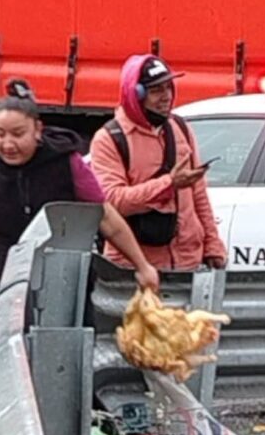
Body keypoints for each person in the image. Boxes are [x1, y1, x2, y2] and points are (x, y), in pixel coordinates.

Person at [0, 78, 159, 302]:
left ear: (37, 130)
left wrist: (142, 265)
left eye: (18, 134)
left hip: (65, 290)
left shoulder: (67, 163)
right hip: (3, 291)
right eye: (0, 134)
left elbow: (105, 217)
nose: (8, 144)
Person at [89, 54, 226, 272]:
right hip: (134, 269)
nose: (166, 97)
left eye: (168, 88)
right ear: (136, 96)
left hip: (188, 264)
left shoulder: (180, 128)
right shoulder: (109, 139)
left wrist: (213, 246)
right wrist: (168, 185)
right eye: (156, 91)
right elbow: (113, 202)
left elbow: (198, 193)